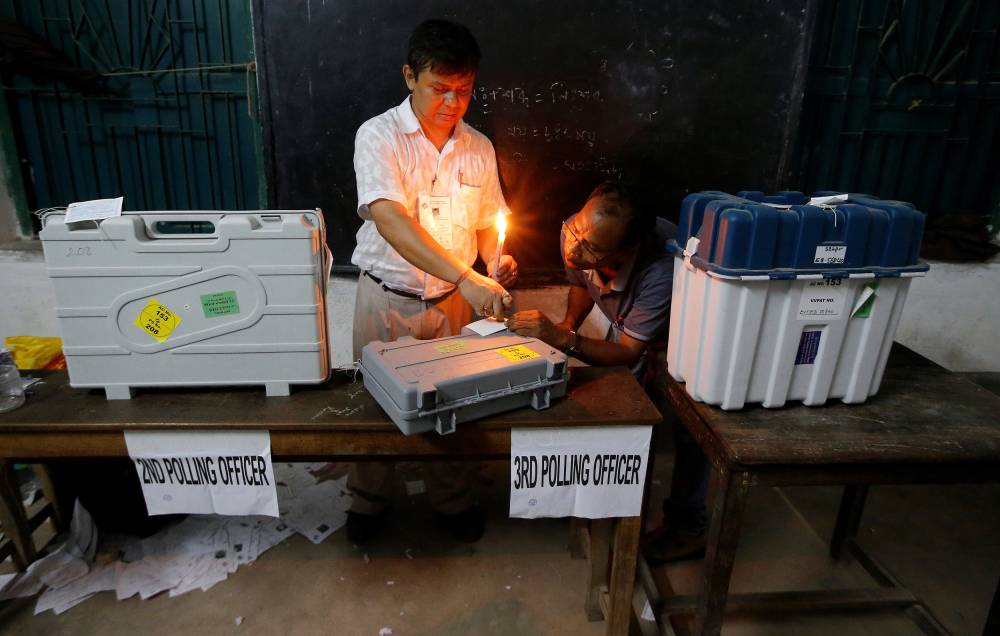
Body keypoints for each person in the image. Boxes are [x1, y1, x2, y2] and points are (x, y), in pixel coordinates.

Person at [347, 19, 518, 544]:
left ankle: (452, 496)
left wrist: (496, 259)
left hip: (455, 306)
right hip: (388, 300)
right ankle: (368, 498)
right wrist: (469, 276)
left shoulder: (478, 148)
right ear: (409, 77)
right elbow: (391, 220)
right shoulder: (379, 136)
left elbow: (490, 221)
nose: (451, 102)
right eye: (439, 89)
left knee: (456, 404)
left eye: (463, 91)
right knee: (375, 406)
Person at [506, 180, 709, 561]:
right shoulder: (578, 229)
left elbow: (630, 351)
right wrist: (568, 324)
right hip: (637, 332)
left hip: (686, 339)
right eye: (575, 233)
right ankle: (607, 505)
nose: (573, 248)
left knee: (689, 429)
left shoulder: (663, 271)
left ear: (625, 249)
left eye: (590, 249)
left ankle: (687, 527)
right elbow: (580, 280)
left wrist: (563, 340)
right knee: (622, 416)